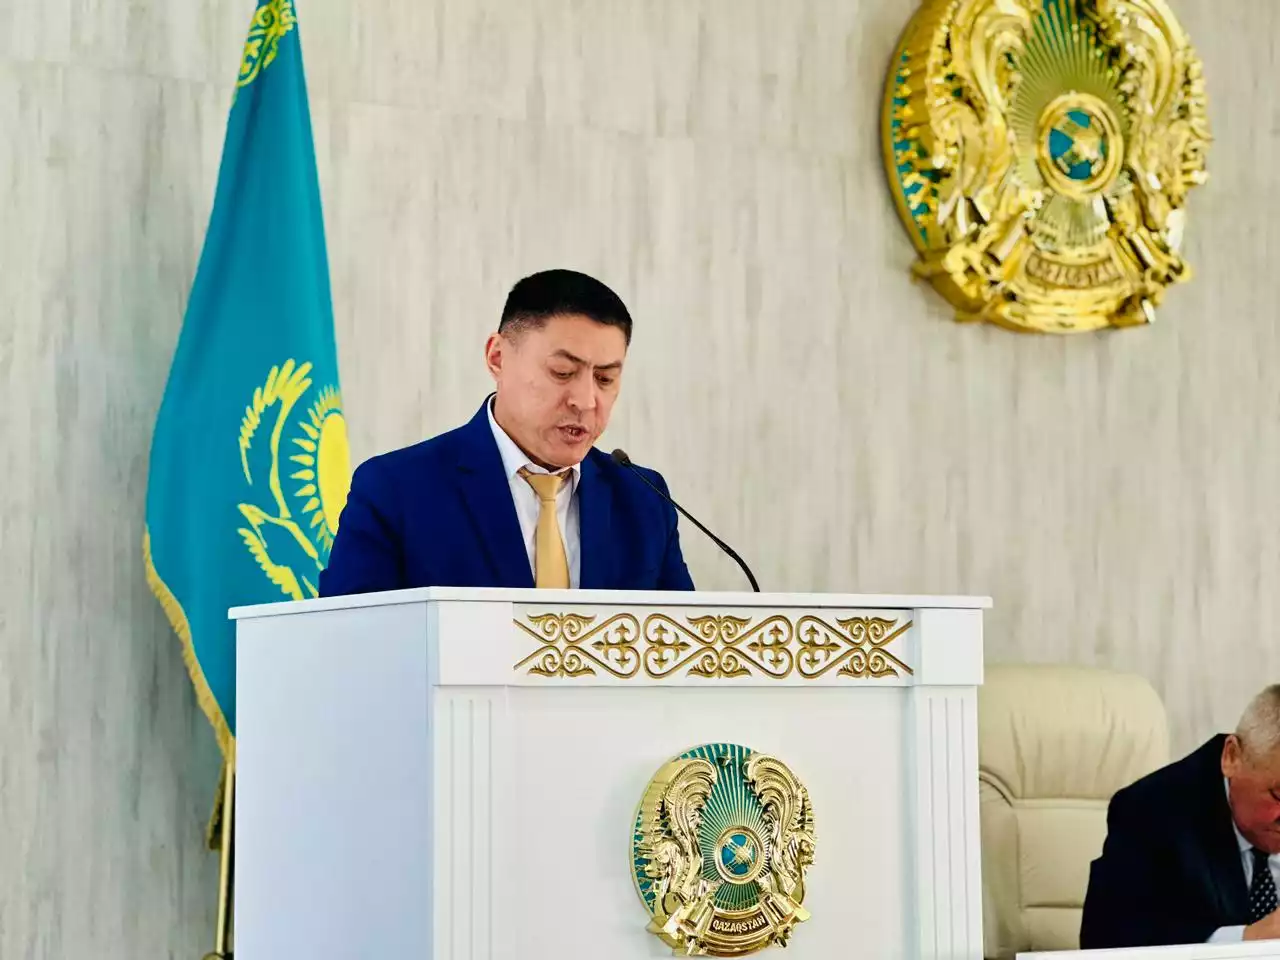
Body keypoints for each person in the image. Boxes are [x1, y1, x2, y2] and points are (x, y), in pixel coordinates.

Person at [319, 269, 695, 596]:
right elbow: (349, 639)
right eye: (563, 372)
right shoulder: (396, 490)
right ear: (497, 357)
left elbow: (682, 647)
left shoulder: (643, 501)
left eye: (605, 379)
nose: (585, 400)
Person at [1080, 684, 1280, 947]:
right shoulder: (1150, 811)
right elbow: (1107, 939)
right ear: (1232, 757)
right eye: (1278, 795)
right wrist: (1247, 940)